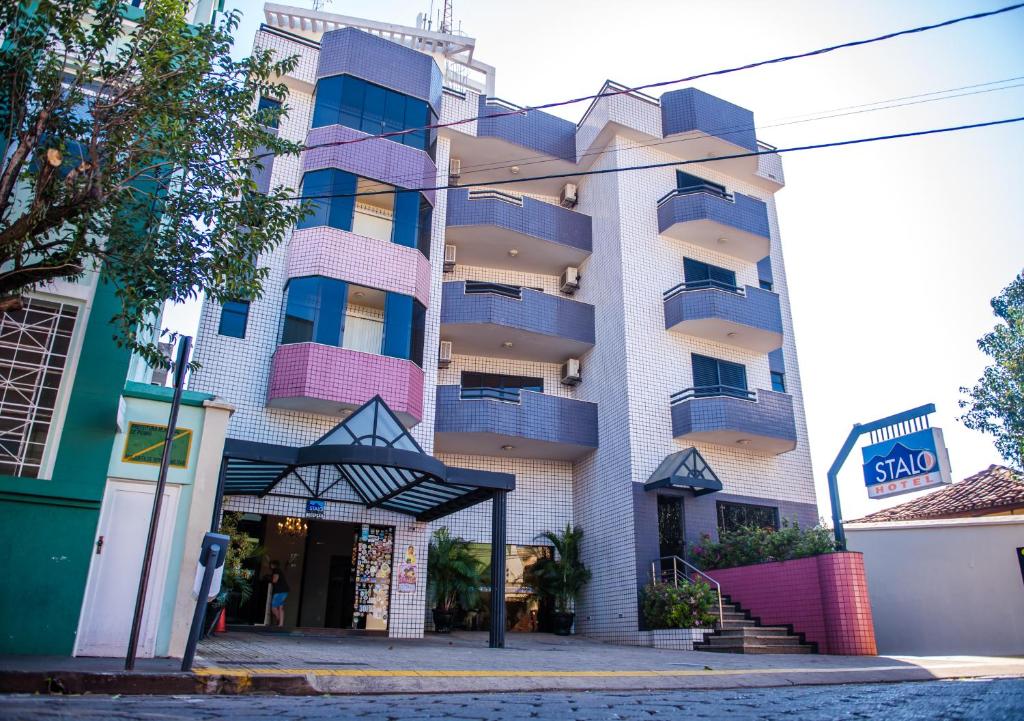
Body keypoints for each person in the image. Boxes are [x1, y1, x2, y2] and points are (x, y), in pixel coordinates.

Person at [268, 560, 289, 627]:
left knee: (274, 608)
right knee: (280, 607)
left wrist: (269, 579)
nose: (270, 566)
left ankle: (279, 621)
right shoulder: (278, 570)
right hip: (284, 590)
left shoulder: (276, 570)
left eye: (270, 564)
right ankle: (280, 623)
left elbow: (275, 580)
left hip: (280, 591)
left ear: (273, 565)